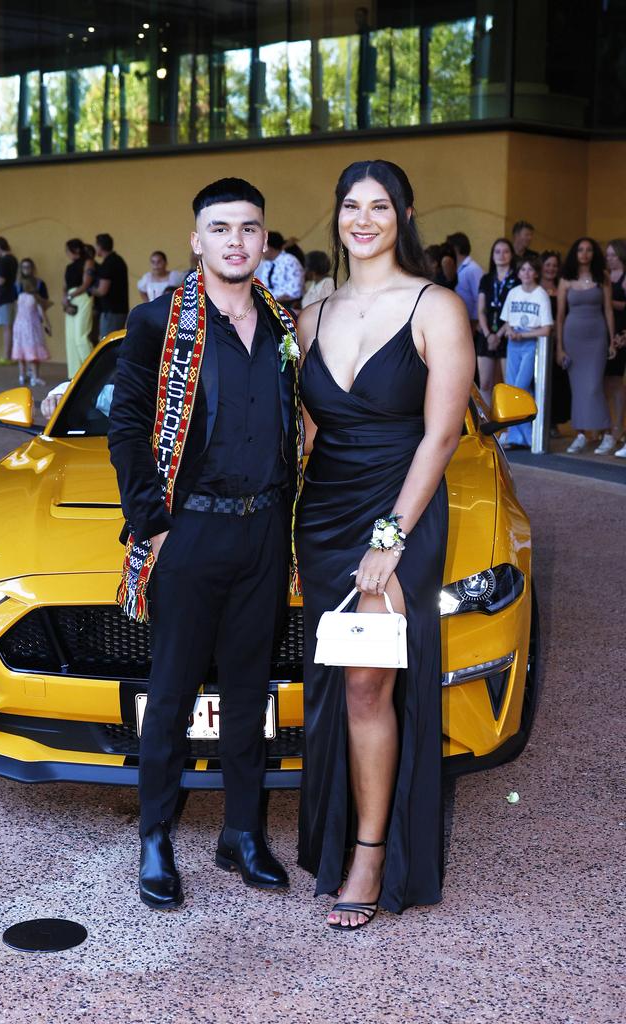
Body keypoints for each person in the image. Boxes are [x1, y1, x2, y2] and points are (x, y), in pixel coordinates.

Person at [108, 177, 302, 912]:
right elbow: (126, 422)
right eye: (220, 229)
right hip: (187, 531)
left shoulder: (283, 324)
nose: (235, 241)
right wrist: (151, 515)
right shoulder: (158, 321)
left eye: (249, 229)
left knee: (250, 691)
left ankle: (242, 836)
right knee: (173, 692)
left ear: (264, 239)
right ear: (197, 240)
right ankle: (155, 837)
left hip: (261, 532)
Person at [296, 160, 474, 930]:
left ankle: (371, 853)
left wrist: (390, 537)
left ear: (403, 214)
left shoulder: (437, 307)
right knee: (337, 679)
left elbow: (440, 436)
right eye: (349, 206)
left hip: (397, 511)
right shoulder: (311, 313)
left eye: (378, 206)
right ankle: (340, 829)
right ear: (336, 216)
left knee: (369, 683)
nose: (362, 219)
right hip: (323, 515)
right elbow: (304, 438)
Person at [557, 238, 614, 454]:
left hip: (597, 337)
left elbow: (608, 310)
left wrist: (611, 341)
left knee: (594, 387)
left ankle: (608, 433)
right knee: (578, 389)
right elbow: (560, 316)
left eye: (589, 250)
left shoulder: (603, 277)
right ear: (575, 253)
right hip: (573, 338)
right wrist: (559, 348)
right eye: (580, 249)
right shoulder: (566, 279)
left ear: (594, 253)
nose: (585, 253)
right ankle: (580, 434)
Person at [499, 255, 554, 449]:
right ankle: (518, 437)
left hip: (532, 343)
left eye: (530, 270)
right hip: (513, 343)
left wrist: (524, 335)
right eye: (523, 270)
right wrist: (510, 331)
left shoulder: (541, 295)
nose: (527, 273)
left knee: (521, 388)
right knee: (513, 387)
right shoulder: (513, 293)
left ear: (537, 273)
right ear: (519, 273)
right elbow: (506, 321)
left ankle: (529, 436)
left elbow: (547, 329)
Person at [476, 238, 518, 404]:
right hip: (487, 334)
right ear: (492, 255)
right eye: (497, 251)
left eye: (506, 251)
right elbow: (481, 310)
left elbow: (515, 311)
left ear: (511, 255)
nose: (502, 255)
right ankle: (487, 426)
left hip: (507, 334)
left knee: (507, 384)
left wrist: (498, 335)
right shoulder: (486, 279)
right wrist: (488, 335)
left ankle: (507, 427)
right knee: (485, 383)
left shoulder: (517, 279)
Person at [539, 250, 571, 434]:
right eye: (548, 265)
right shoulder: (534, 287)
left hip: (559, 339)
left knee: (557, 383)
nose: (551, 269)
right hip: (539, 340)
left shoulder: (562, 288)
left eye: (555, 265)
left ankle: (553, 424)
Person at [602, 239, 626, 455]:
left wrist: (607, 302)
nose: (609, 258)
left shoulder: (624, 278)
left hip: (621, 335)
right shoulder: (605, 276)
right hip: (605, 335)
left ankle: (618, 429)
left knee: (616, 383)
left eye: (613, 255)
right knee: (605, 383)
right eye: (607, 255)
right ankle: (608, 429)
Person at [62, 238, 95, 377]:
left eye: (68, 250)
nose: (67, 253)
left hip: (82, 297)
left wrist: (70, 296)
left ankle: (92, 369)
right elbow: (65, 286)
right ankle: (75, 374)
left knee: (81, 336)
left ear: (74, 250)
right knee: (70, 337)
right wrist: (65, 299)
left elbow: (86, 283)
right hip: (71, 297)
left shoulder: (88, 262)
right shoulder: (69, 267)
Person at [12, 275, 51, 387]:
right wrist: (48, 325)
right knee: (33, 353)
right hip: (31, 328)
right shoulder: (35, 299)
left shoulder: (20, 297)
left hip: (19, 328)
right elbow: (42, 314)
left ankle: (22, 376)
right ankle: (35, 377)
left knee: (22, 353)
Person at [92, 233, 129, 338]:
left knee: (108, 343)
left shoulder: (109, 263)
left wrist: (89, 290)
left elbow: (102, 290)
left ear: (100, 247)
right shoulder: (118, 260)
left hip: (111, 312)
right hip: (119, 310)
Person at [0, 237, 18, 365]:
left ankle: (8, 356)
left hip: (4, 296)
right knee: (9, 326)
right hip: (11, 295)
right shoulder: (14, 259)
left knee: (7, 327)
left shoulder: (4, 261)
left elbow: (1, 281)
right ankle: (10, 355)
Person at [446, 232, 483, 332]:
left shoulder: (473, 269)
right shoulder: (456, 268)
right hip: (460, 321)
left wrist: (475, 323)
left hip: (471, 323)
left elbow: (479, 297)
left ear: (456, 248)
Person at [256, 231, 305, 306]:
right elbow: (263, 287)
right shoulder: (267, 263)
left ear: (270, 248)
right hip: (270, 304)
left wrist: (274, 301)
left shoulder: (289, 261)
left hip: (286, 305)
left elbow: (295, 291)